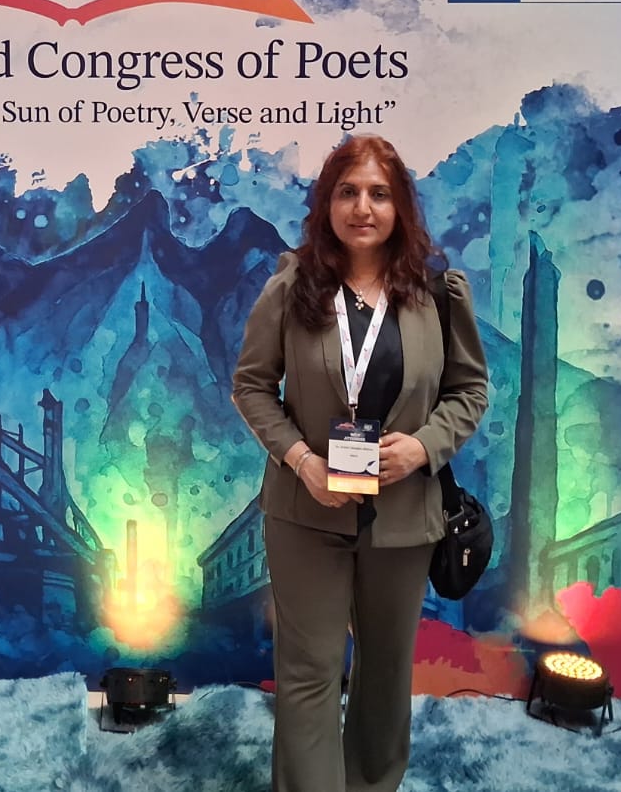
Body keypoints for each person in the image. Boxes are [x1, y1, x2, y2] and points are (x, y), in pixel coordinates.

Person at [231, 134, 488, 792]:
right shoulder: (291, 287)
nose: (363, 207)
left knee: (384, 672)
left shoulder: (438, 293)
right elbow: (252, 386)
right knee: (308, 671)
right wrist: (301, 460)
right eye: (347, 192)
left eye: (379, 193)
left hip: (405, 518)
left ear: (401, 206)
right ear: (327, 204)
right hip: (305, 513)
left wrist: (424, 446)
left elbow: (469, 392)